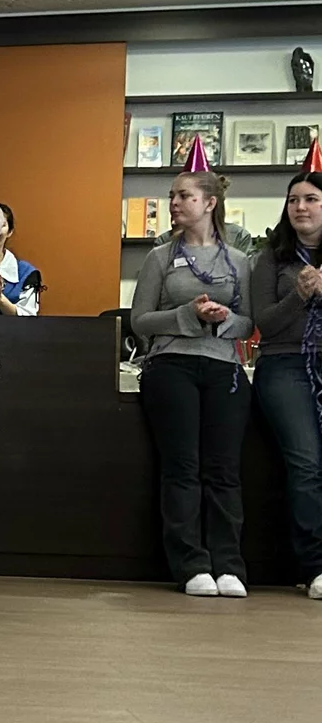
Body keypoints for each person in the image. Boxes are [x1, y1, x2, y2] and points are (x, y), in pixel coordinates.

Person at [130, 169, 253, 597]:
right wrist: (188, 315)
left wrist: (225, 318)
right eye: (172, 196)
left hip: (224, 369)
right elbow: (140, 320)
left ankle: (229, 564)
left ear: (210, 203)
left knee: (224, 469)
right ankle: (191, 564)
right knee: (182, 467)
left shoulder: (239, 260)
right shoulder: (159, 257)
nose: (175, 203)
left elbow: (249, 323)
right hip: (171, 366)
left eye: (184, 196)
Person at [250, 171, 322, 597]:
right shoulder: (271, 258)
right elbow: (264, 322)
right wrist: (300, 294)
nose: (300, 207)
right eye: (293, 200)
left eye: (311, 199)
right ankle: (316, 567)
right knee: (307, 463)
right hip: (284, 364)